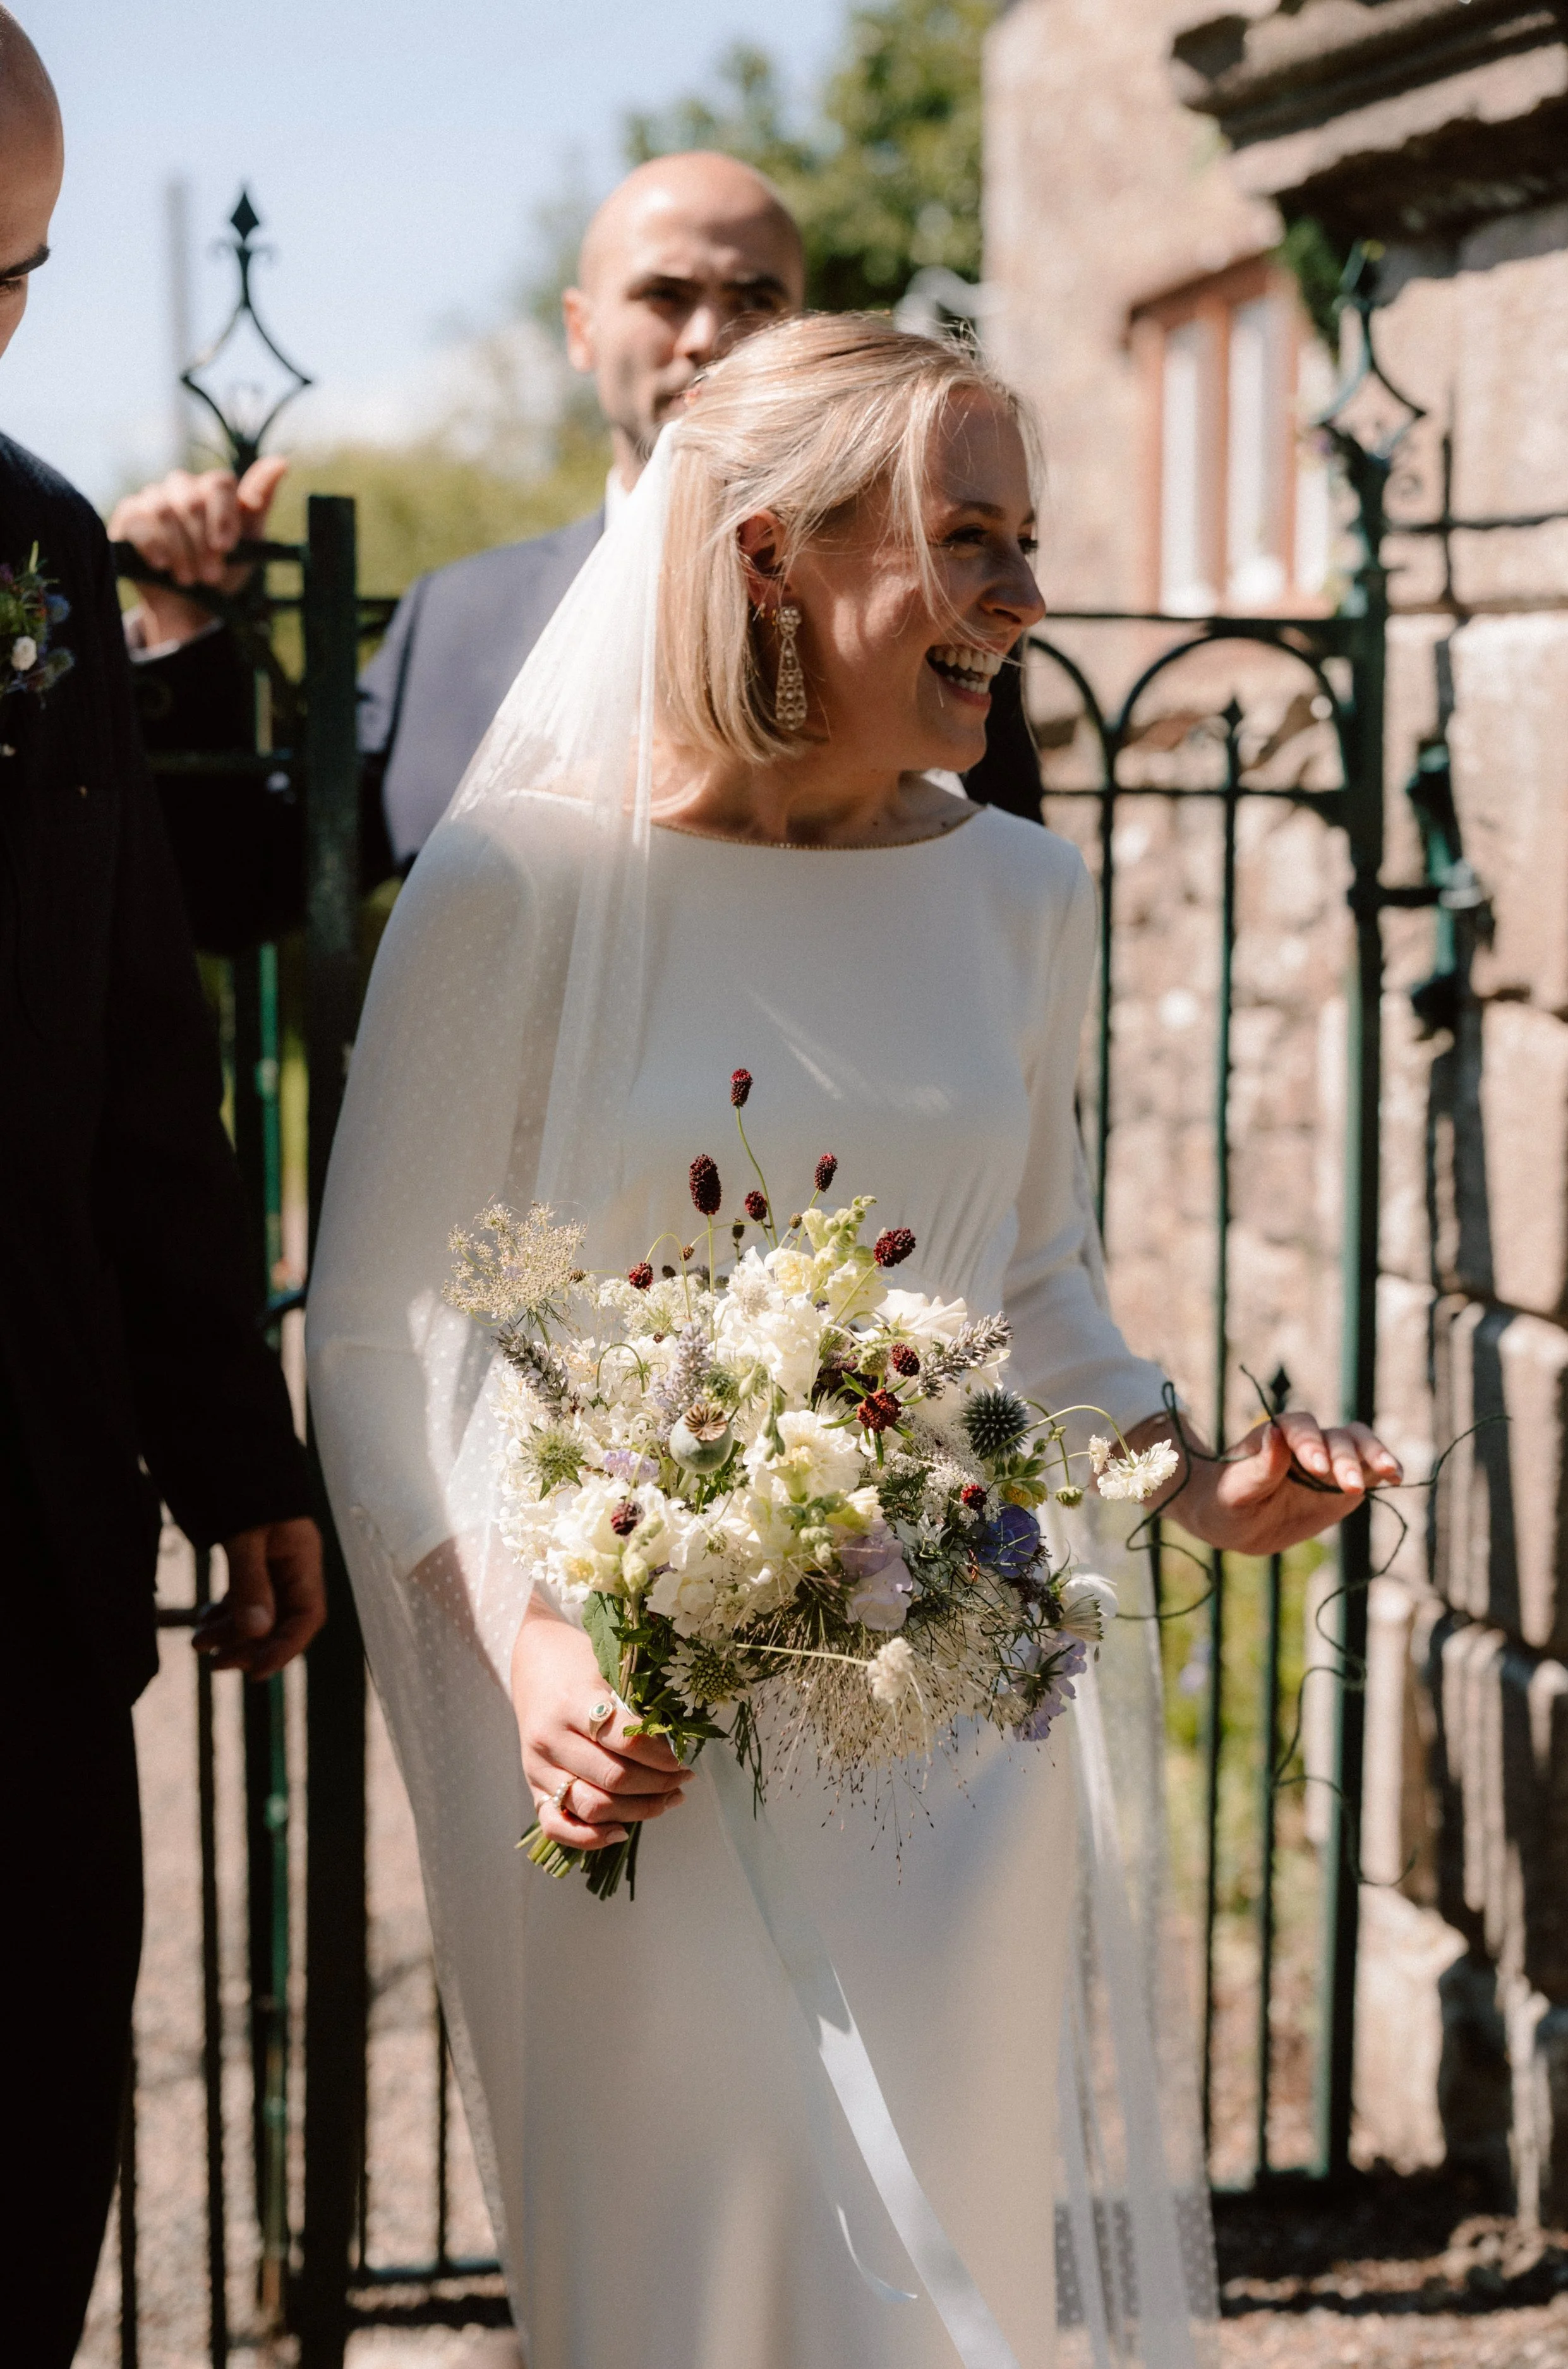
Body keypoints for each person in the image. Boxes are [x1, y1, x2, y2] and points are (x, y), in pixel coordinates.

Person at [306, 314, 1399, 2367]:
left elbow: (1036, 1284)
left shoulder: (1023, 899)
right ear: (768, 561)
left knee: (932, 2288)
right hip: (643, 1729)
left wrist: (1196, 1479)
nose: (1025, 597)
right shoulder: (521, 884)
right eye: (967, 538)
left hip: (948, 1755)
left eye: (1030, 539)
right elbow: (378, 1331)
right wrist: (532, 1638)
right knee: (687, 2278)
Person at [0, 15, 325, 2362]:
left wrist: (234, 1455)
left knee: (18, 2181)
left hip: (3, 1552)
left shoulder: (24, 560)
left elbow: (138, 1060)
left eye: (6, 273)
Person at [110, 152, 1043, 946]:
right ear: (581, 329)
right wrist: (191, 631)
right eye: (664, 295)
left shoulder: (927, 629)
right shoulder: (456, 621)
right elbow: (245, 895)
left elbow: (1003, 965)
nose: (710, 337)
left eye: (756, 299)